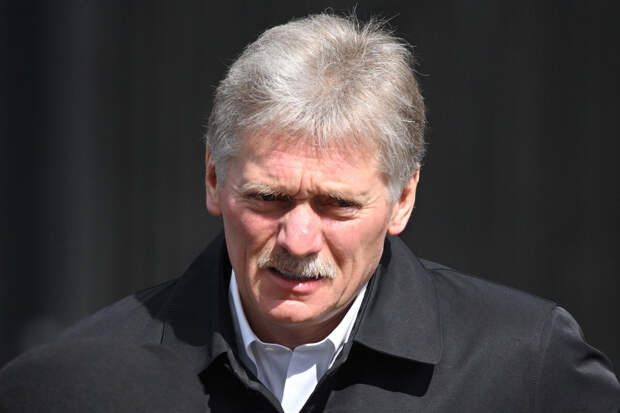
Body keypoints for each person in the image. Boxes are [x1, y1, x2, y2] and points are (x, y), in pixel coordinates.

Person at [1, 13, 619, 412]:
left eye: (337, 205)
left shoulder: (525, 366)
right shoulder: (71, 387)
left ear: (403, 199)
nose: (298, 239)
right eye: (268, 198)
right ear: (214, 179)